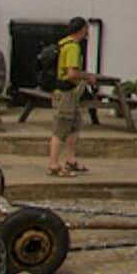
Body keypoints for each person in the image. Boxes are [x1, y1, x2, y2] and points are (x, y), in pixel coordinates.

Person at [48, 17, 97, 177]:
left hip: (68, 92)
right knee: (61, 127)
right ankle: (54, 164)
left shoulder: (62, 43)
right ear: (82, 29)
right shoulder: (73, 47)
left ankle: (70, 159)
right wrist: (87, 76)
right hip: (66, 92)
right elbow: (71, 73)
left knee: (75, 125)